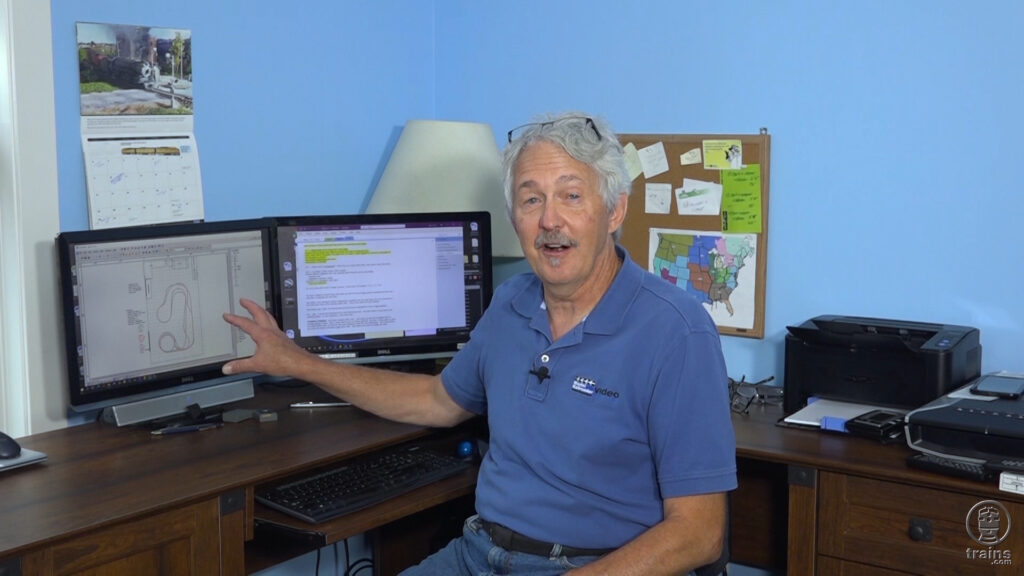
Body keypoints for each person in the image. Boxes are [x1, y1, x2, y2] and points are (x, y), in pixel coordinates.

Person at [222, 112, 736, 575]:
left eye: (571, 195)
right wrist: (301, 363)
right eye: (532, 199)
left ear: (615, 210)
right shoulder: (510, 302)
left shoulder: (675, 330)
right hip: (478, 555)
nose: (550, 220)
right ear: (515, 218)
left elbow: (700, 531)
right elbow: (436, 402)